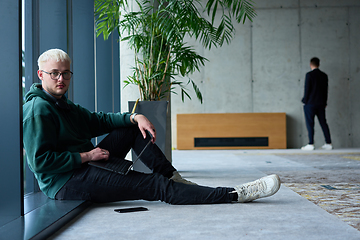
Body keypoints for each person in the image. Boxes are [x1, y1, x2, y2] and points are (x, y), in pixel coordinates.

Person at [23, 48, 281, 205]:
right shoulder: (39, 109)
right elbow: (40, 162)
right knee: (154, 187)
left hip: (85, 165)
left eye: (65, 73)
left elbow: (98, 120)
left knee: (132, 128)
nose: (61, 78)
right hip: (66, 182)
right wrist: (86, 156)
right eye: (54, 73)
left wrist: (135, 117)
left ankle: (175, 179)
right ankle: (235, 194)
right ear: (40, 75)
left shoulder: (62, 104)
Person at [301, 57, 332, 151]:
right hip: (321, 103)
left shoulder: (309, 75)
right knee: (323, 123)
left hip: (310, 103)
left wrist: (304, 100)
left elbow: (307, 89)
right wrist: (325, 102)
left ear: (311, 64)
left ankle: (311, 144)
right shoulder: (324, 75)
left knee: (310, 123)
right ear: (319, 64)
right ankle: (328, 143)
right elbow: (326, 90)